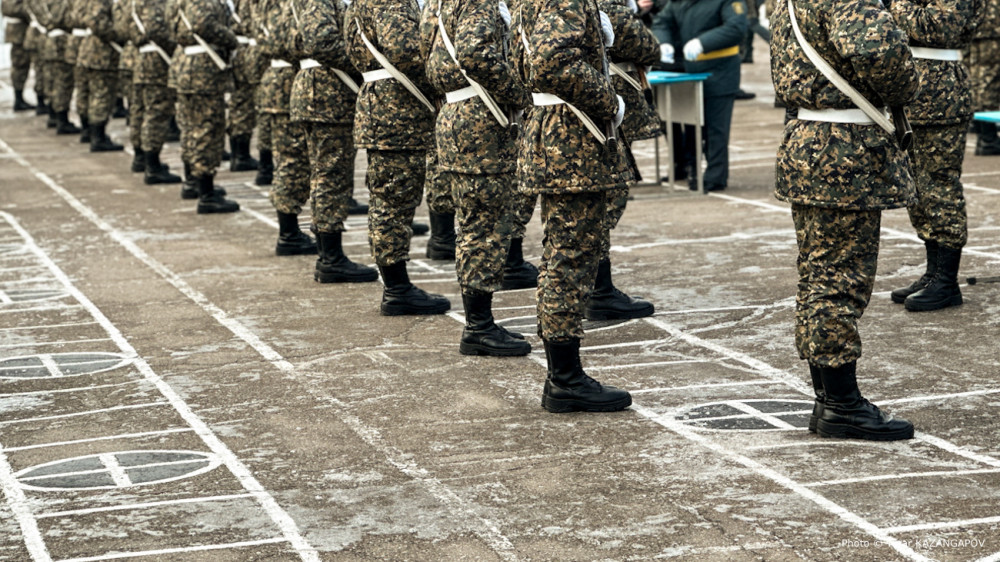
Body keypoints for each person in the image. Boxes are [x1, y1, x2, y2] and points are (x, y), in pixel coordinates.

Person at [771, 0, 918, 440]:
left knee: (819, 274)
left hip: (808, 142)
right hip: (844, 149)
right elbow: (882, 56)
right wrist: (907, 85)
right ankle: (841, 405)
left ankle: (828, 397)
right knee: (840, 278)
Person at [514, 0, 633, 412]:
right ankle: (564, 378)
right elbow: (552, 59)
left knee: (567, 254)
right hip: (572, 138)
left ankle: (564, 373)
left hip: (558, 134)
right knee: (570, 256)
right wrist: (609, 101)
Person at [422, 0, 532, 355]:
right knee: (484, 226)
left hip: (457, 115)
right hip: (480, 121)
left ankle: (479, 322)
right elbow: (476, 54)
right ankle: (479, 326)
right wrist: (520, 94)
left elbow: (429, 57)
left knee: (474, 224)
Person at [345, 0, 451, 316]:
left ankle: (396, 285)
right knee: (392, 203)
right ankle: (397, 289)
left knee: (389, 201)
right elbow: (405, 49)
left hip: (385, 106)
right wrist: (444, 67)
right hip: (396, 111)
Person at [888, 0, 983, 312]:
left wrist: (895, 7)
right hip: (914, 93)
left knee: (940, 187)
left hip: (942, 94)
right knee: (918, 189)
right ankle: (932, 273)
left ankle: (947, 280)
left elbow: (939, 25)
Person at [292, 0, 378, 282]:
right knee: (331, 175)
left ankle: (328, 254)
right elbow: (321, 41)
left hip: (321, 92)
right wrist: (362, 62)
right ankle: (330, 258)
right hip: (328, 94)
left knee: (325, 174)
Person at [590, 0, 656, 322]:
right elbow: (632, 36)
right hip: (597, 109)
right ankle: (598, 290)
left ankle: (596, 287)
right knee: (606, 197)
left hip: (585, 110)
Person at [653, 0, 748, 191]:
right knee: (694, 127)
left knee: (716, 129)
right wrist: (664, 43)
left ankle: (716, 176)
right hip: (692, 73)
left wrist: (703, 42)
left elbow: (736, 27)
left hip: (720, 72)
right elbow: (662, 21)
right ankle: (694, 171)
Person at [168, 0, 241, 212]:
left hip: (187, 66)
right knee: (207, 130)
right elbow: (203, 24)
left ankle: (194, 182)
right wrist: (231, 39)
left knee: (192, 128)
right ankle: (206, 194)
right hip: (203, 71)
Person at [257, 0, 316, 255]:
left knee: (288, 158)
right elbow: (288, 39)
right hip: (287, 81)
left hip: (277, 81)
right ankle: (289, 233)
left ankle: (289, 229)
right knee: (292, 159)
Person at [128, 0, 182, 185]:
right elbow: (155, 30)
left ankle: (143, 158)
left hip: (145, 60)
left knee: (143, 110)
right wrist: (175, 46)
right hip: (157, 61)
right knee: (156, 112)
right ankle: (152, 166)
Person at [77, 0, 124, 151]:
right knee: (101, 95)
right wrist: (118, 35)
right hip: (101, 53)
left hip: (91, 50)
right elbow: (97, 22)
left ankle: (88, 131)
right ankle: (98, 137)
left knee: (88, 93)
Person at [226, 0, 259, 173]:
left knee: (238, 102)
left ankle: (237, 154)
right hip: (245, 49)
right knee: (244, 104)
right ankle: (241, 156)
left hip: (238, 50)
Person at [968, 0, 1000, 155]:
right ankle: (988, 138)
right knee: (988, 83)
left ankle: (983, 133)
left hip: (978, 29)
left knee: (977, 81)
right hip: (992, 29)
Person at [3, 0, 37, 111]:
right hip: (19, 31)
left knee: (22, 65)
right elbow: (12, 8)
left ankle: (20, 98)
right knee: (20, 65)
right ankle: (19, 99)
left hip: (20, 31)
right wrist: (34, 13)